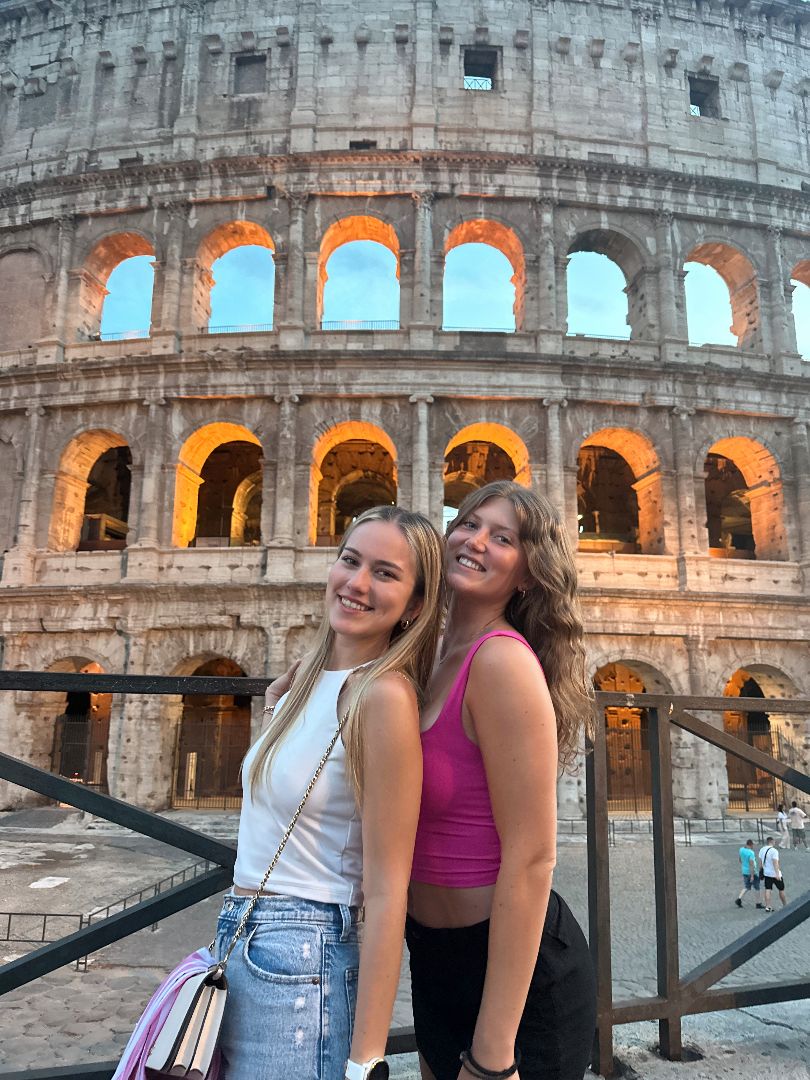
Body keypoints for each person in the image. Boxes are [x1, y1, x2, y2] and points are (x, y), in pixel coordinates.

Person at [214, 505, 443, 1080]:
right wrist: (275, 707)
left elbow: (389, 891)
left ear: (415, 605)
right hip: (241, 932)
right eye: (350, 560)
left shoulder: (384, 698)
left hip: (303, 955)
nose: (357, 583)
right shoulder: (305, 680)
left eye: (386, 573)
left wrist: (366, 1059)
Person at [406, 480, 597, 1080]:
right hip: (434, 957)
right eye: (467, 523)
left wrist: (493, 1055)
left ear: (527, 574)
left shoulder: (502, 661)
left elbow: (535, 856)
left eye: (503, 537)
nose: (475, 540)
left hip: (517, 976)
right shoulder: (430, 654)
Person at [757, 837, 787, 912]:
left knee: (768, 889)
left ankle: (768, 906)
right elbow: (775, 863)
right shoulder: (774, 851)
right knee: (781, 889)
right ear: (772, 841)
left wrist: (761, 870)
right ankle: (785, 905)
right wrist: (777, 874)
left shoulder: (762, 850)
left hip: (767, 873)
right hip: (774, 873)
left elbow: (760, 862)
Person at [735, 840, 763, 909]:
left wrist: (743, 865)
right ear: (751, 845)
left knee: (747, 887)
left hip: (744, 871)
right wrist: (752, 875)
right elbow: (751, 864)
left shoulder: (741, 849)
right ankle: (758, 903)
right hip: (751, 872)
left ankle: (739, 898)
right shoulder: (751, 853)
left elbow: (740, 859)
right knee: (757, 887)